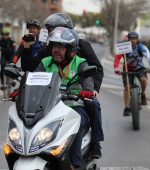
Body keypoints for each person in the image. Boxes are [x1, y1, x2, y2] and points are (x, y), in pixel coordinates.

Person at [19, 13, 104, 157]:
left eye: (54, 28)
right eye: (50, 30)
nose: (56, 49)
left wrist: (91, 90)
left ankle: (95, 143)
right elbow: (31, 71)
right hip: (52, 99)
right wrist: (26, 49)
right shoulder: (49, 52)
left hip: (76, 98)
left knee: (93, 104)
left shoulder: (83, 47)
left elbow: (94, 70)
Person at [114, 31, 150, 116]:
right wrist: (116, 68)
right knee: (127, 87)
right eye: (130, 38)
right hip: (127, 70)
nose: (132, 40)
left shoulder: (141, 47)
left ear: (137, 39)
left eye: (134, 39)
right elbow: (117, 57)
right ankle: (126, 107)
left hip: (139, 68)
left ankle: (143, 94)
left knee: (144, 80)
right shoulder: (124, 47)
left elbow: (148, 55)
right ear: (128, 39)